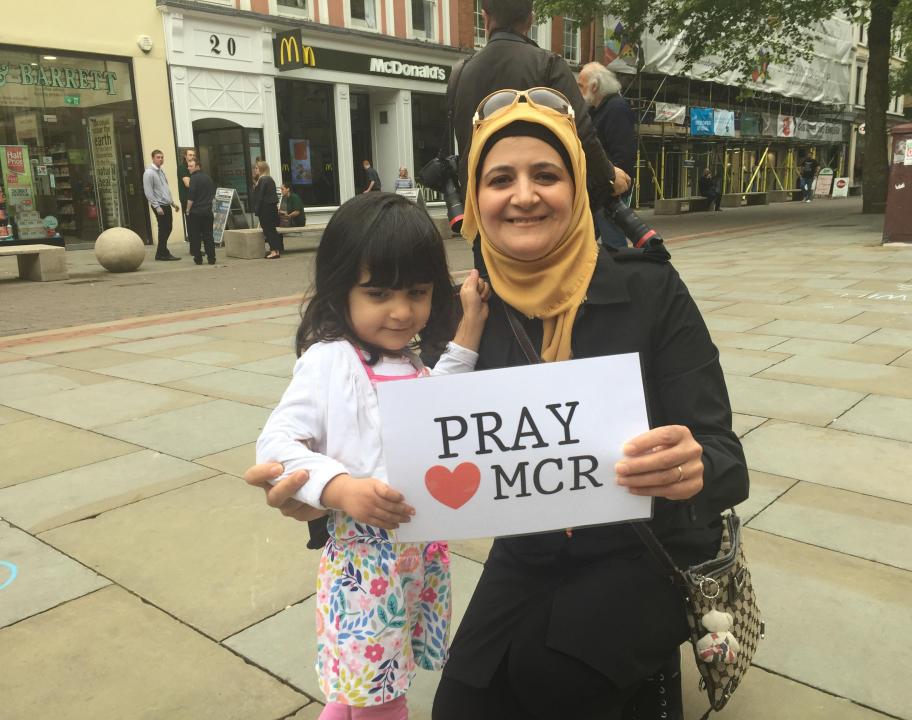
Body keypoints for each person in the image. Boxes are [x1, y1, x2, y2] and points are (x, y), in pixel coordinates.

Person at [246, 90, 748, 720]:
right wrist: (319, 492)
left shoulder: (650, 289)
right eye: (500, 178)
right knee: (460, 707)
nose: (524, 195)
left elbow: (727, 457)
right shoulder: (467, 309)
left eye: (547, 174)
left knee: (558, 680)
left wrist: (692, 467)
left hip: (640, 547)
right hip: (529, 550)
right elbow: (404, 438)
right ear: (476, 201)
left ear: (578, 185)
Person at [255, 191, 490, 720]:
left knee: (362, 686)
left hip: (414, 559)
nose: (402, 311)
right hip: (364, 568)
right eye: (379, 293)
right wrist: (339, 488)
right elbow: (277, 443)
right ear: (342, 290)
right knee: (381, 695)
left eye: (418, 292)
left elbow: (438, 400)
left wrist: (469, 325)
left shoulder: (404, 361)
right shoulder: (329, 359)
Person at [448, 0, 629, 205]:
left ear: (485, 18)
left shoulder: (460, 73)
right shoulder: (549, 65)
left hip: (482, 203)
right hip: (537, 202)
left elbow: (462, 141)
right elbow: (582, 133)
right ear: (530, 20)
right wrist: (609, 175)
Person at [577, 61, 636, 248]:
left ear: (594, 86)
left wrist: (613, 187)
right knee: (582, 243)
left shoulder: (616, 108)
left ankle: (620, 276)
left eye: (581, 85)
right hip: (595, 190)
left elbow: (623, 153)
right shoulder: (593, 110)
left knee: (613, 244)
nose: (578, 90)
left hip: (609, 190)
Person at [142, 149, 181, 261]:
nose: (160, 159)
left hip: (166, 203)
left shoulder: (161, 171)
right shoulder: (149, 173)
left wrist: (172, 203)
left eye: (162, 157)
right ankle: (162, 252)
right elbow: (148, 192)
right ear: (153, 158)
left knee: (168, 228)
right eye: (158, 157)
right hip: (159, 205)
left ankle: (161, 251)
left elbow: (165, 189)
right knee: (164, 228)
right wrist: (157, 206)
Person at [185, 157, 216, 265]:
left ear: (197, 166)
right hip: (207, 212)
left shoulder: (193, 178)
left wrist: (188, 210)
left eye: (191, 166)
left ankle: (198, 258)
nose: (188, 168)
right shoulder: (208, 178)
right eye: (188, 166)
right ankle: (212, 258)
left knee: (195, 236)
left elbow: (191, 195)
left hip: (196, 212)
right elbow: (212, 194)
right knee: (208, 235)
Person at [252, 160, 282, 259]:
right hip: (271, 207)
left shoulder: (263, 180)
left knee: (268, 230)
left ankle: (273, 251)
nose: (255, 170)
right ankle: (276, 250)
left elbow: (260, 197)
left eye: (256, 168)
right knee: (272, 230)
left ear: (261, 169)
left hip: (265, 209)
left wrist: (257, 209)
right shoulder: (270, 179)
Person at [177, 148, 196, 242]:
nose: (192, 157)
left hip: (194, 198)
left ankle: (196, 246)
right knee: (191, 223)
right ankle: (193, 248)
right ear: (185, 156)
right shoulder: (182, 167)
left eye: (193, 155)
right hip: (187, 199)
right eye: (190, 155)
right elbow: (187, 184)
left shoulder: (194, 167)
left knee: (195, 223)